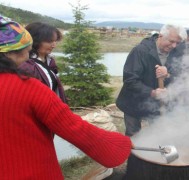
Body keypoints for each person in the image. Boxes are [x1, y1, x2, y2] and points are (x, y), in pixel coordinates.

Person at [0, 16, 132, 179]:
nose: (27, 56)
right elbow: (72, 127)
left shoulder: (43, 66)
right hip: (32, 171)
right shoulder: (28, 87)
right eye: (25, 50)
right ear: (9, 53)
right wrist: (119, 145)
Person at [116, 24, 186, 136]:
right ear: (160, 36)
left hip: (157, 105)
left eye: (177, 43)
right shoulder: (140, 51)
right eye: (171, 41)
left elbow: (181, 77)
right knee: (133, 135)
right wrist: (152, 92)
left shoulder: (176, 53)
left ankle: (155, 152)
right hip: (134, 101)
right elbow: (130, 80)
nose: (174, 45)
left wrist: (168, 75)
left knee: (157, 135)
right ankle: (132, 153)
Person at [18, 22, 66, 103]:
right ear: (35, 40)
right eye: (50, 41)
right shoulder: (27, 66)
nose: (54, 45)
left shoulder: (50, 61)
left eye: (55, 41)